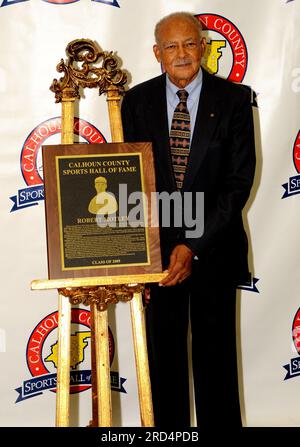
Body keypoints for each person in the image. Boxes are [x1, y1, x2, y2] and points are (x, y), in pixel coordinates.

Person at [121, 12, 256, 428]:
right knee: (163, 368)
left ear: (203, 47)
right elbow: (133, 182)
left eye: (190, 44)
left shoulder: (234, 99)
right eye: (172, 46)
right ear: (157, 53)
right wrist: (141, 259)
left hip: (213, 250)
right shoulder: (135, 102)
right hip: (158, 258)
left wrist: (192, 244)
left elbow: (237, 183)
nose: (182, 54)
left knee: (217, 365)